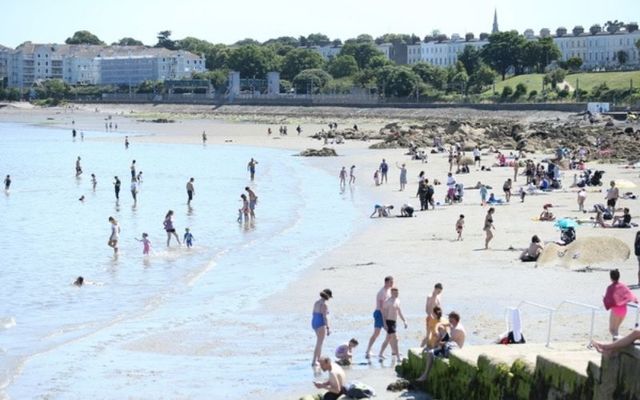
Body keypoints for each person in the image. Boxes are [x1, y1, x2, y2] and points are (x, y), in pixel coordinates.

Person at [416, 311, 466, 382]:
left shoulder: (457, 329)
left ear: (454, 320)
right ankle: (424, 372)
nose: (448, 320)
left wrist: (436, 343)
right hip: (449, 347)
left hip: (452, 351)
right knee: (436, 337)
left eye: (450, 319)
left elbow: (445, 342)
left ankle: (425, 375)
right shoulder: (455, 326)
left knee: (430, 353)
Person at [603, 269, 638, 339]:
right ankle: (617, 344)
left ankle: (618, 344)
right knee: (616, 330)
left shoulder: (610, 287)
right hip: (624, 310)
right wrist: (636, 301)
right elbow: (631, 296)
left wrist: (604, 298)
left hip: (616, 311)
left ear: (611, 278)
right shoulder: (624, 286)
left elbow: (608, 299)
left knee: (612, 330)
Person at [365, 276, 393, 359]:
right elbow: (381, 308)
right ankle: (368, 350)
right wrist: (384, 321)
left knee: (390, 333)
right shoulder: (381, 292)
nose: (392, 284)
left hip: (385, 313)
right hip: (379, 314)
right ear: (386, 282)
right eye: (391, 282)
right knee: (377, 333)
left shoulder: (388, 291)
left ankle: (393, 351)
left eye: (392, 282)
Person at [379, 288, 407, 362]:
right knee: (394, 339)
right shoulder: (388, 302)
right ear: (392, 293)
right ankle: (398, 357)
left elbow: (399, 312)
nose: (397, 294)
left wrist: (404, 321)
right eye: (395, 293)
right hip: (389, 322)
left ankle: (381, 353)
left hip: (394, 322)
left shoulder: (398, 300)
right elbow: (383, 313)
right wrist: (384, 324)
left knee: (388, 339)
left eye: (397, 293)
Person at [312, 289, 332, 366]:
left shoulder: (316, 302)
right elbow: (325, 317)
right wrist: (328, 328)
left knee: (319, 342)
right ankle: (314, 361)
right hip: (320, 323)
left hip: (314, 322)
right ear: (328, 296)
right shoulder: (324, 305)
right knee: (319, 343)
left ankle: (318, 360)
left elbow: (313, 313)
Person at [420, 283, 443, 348]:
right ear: (435, 289)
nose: (439, 293)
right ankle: (422, 348)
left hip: (437, 318)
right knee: (428, 335)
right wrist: (430, 315)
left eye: (440, 291)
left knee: (436, 334)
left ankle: (429, 348)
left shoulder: (439, 296)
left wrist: (440, 316)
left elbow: (439, 307)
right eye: (438, 291)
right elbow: (427, 308)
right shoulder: (430, 296)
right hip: (431, 318)